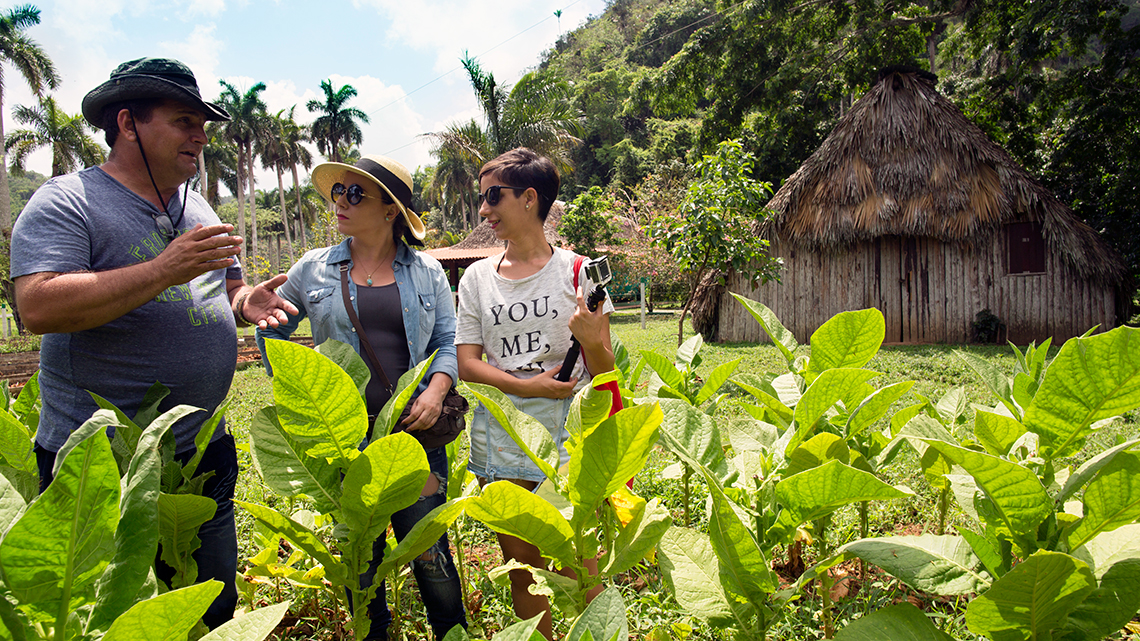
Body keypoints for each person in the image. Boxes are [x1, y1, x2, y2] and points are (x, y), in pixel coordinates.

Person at [10, 57, 298, 629]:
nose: (200, 135)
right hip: (102, 460)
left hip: (200, 447)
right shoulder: (68, 200)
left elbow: (228, 287)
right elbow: (38, 305)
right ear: (128, 124)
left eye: (203, 123)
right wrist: (164, 270)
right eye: (184, 119)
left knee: (210, 601)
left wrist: (247, 304)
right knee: (115, 617)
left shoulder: (198, 207)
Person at [257, 155, 467, 641]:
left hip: (413, 437)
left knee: (430, 555)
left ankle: (452, 633)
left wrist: (437, 391)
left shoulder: (427, 272)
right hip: (343, 439)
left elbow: (446, 341)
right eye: (338, 193)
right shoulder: (312, 269)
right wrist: (302, 392)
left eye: (356, 194)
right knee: (361, 564)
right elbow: (275, 330)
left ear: (391, 209)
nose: (340, 203)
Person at [455, 147, 614, 638]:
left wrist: (591, 343)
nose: (484, 210)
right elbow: (468, 365)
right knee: (522, 563)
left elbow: (605, 368)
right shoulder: (476, 278)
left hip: (572, 437)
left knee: (578, 558)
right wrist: (528, 384)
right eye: (481, 198)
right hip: (503, 438)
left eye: (492, 197)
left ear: (529, 199)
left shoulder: (580, 271)